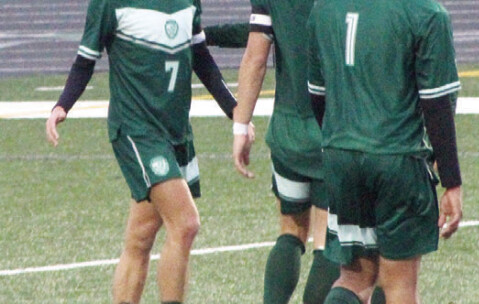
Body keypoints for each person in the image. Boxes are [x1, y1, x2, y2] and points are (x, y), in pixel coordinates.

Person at [45, 0, 252, 303]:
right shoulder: (109, 4)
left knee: (140, 236)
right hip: (136, 131)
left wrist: (236, 111)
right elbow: (85, 60)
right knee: (185, 224)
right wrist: (62, 105)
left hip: (176, 131)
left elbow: (200, 57)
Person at [306, 0, 463, 303]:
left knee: (353, 277)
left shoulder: (324, 8)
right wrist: (452, 181)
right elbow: (437, 105)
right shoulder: (425, 12)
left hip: (340, 155)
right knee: (398, 284)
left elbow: (317, 96)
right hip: (397, 156)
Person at [231, 0, 340, 303]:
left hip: (288, 131)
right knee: (332, 244)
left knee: (290, 230)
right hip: (336, 130)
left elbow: (255, 58)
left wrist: (240, 126)